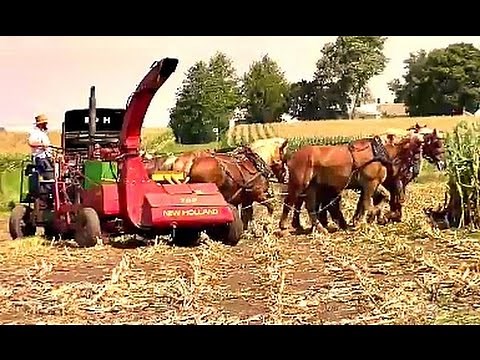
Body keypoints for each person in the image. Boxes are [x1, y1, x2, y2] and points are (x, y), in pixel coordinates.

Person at [27, 114, 54, 181]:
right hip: (41, 158)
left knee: (51, 173)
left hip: (46, 157)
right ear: (41, 124)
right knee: (48, 175)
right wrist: (42, 145)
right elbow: (31, 143)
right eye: (45, 123)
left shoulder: (42, 133)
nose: (46, 125)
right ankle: (47, 189)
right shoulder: (35, 133)